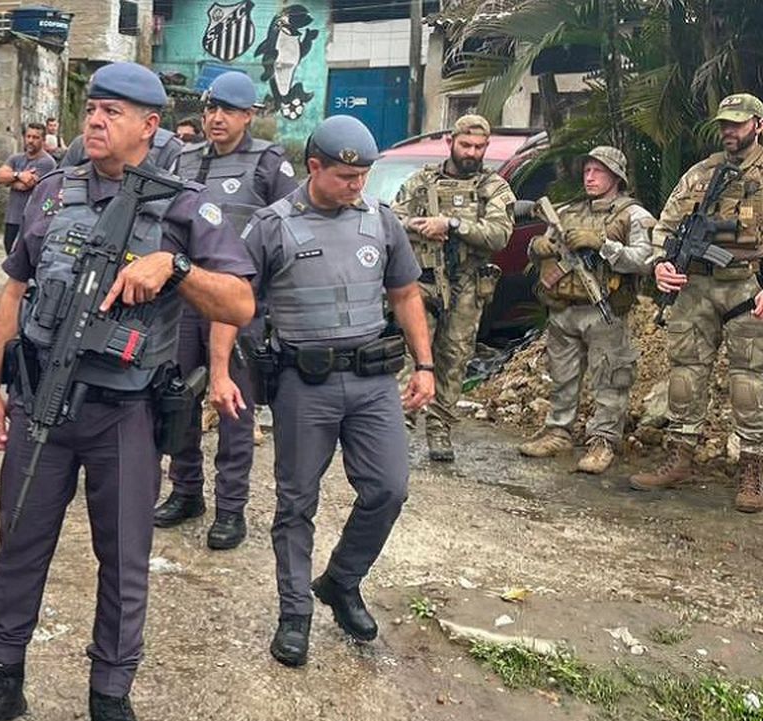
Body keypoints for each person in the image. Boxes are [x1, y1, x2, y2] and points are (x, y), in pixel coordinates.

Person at [0, 62, 256, 721]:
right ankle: (2, 678)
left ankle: (110, 698)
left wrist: (174, 271)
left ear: (150, 127)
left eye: (113, 112)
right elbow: (13, 292)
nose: (95, 121)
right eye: (92, 108)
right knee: (19, 542)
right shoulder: (53, 194)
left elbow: (239, 303)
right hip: (40, 407)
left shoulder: (184, 208)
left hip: (124, 413)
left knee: (124, 560)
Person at [242, 115, 435, 668]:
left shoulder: (381, 220)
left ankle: (342, 581)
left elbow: (404, 295)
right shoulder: (271, 225)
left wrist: (424, 364)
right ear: (314, 167)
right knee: (296, 501)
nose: (357, 186)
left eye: (364, 176)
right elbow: (234, 301)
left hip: (373, 381)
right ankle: (294, 613)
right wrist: (227, 369)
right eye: (346, 176)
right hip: (305, 384)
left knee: (389, 489)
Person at [154, 69, 300, 548]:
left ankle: (231, 508)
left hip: (238, 307)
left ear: (248, 116)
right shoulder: (186, 159)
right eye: (212, 109)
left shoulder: (268, 163)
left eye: (229, 111)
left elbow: (290, 231)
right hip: (187, 298)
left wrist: (271, 304)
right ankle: (186, 491)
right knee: (178, 398)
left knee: (233, 407)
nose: (217, 119)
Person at [635, 92, 763, 512]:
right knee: (686, 373)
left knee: (749, 380)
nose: (729, 130)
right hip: (695, 288)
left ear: (757, 125)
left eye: (738, 123)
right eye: (725, 123)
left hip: (748, 287)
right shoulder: (701, 174)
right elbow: (667, 222)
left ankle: (752, 468)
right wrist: (659, 263)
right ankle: (679, 456)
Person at [518, 146, 654, 474]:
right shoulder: (566, 211)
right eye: (587, 171)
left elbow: (647, 260)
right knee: (562, 376)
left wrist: (602, 244)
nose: (590, 177)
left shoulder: (633, 215)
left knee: (609, 378)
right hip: (564, 307)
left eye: (598, 171)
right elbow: (541, 247)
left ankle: (603, 439)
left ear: (616, 177)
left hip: (604, 309)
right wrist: (537, 247)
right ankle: (557, 431)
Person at [391, 114, 515, 462]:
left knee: (454, 357)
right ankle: (400, 426)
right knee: (414, 352)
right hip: (424, 280)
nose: (472, 152)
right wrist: (414, 224)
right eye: (466, 145)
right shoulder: (422, 181)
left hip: (468, 284)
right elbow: (390, 220)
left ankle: (440, 429)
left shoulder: (494, 187)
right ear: (451, 142)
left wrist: (453, 223)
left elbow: (499, 234)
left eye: (479, 147)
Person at [0, 122, 57, 255]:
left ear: (43, 140)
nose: (30, 141)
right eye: (28, 136)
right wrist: (19, 175)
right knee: (9, 257)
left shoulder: (47, 162)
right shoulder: (15, 158)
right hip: (12, 219)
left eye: (35, 137)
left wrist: (9, 181)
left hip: (31, 221)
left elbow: (25, 185)